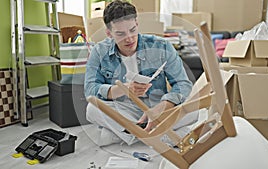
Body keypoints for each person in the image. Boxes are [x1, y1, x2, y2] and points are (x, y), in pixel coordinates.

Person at [84, 0, 198, 146]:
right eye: (120, 34)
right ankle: (158, 136)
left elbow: (183, 83)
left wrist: (163, 106)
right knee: (92, 109)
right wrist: (123, 90)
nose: (129, 38)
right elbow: (90, 90)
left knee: (195, 109)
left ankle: (124, 135)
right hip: (124, 109)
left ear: (137, 24)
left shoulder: (161, 46)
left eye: (132, 30)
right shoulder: (99, 51)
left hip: (157, 107)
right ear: (109, 33)